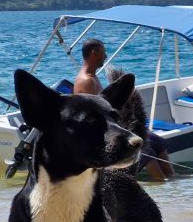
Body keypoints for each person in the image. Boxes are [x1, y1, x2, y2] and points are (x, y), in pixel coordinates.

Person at [74, 39, 174, 181]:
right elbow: (95, 117)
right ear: (94, 53)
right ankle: (162, 186)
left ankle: (174, 185)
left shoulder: (92, 77)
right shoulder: (86, 81)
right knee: (146, 151)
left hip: (111, 128)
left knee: (158, 142)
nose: (106, 56)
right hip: (100, 136)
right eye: (103, 52)